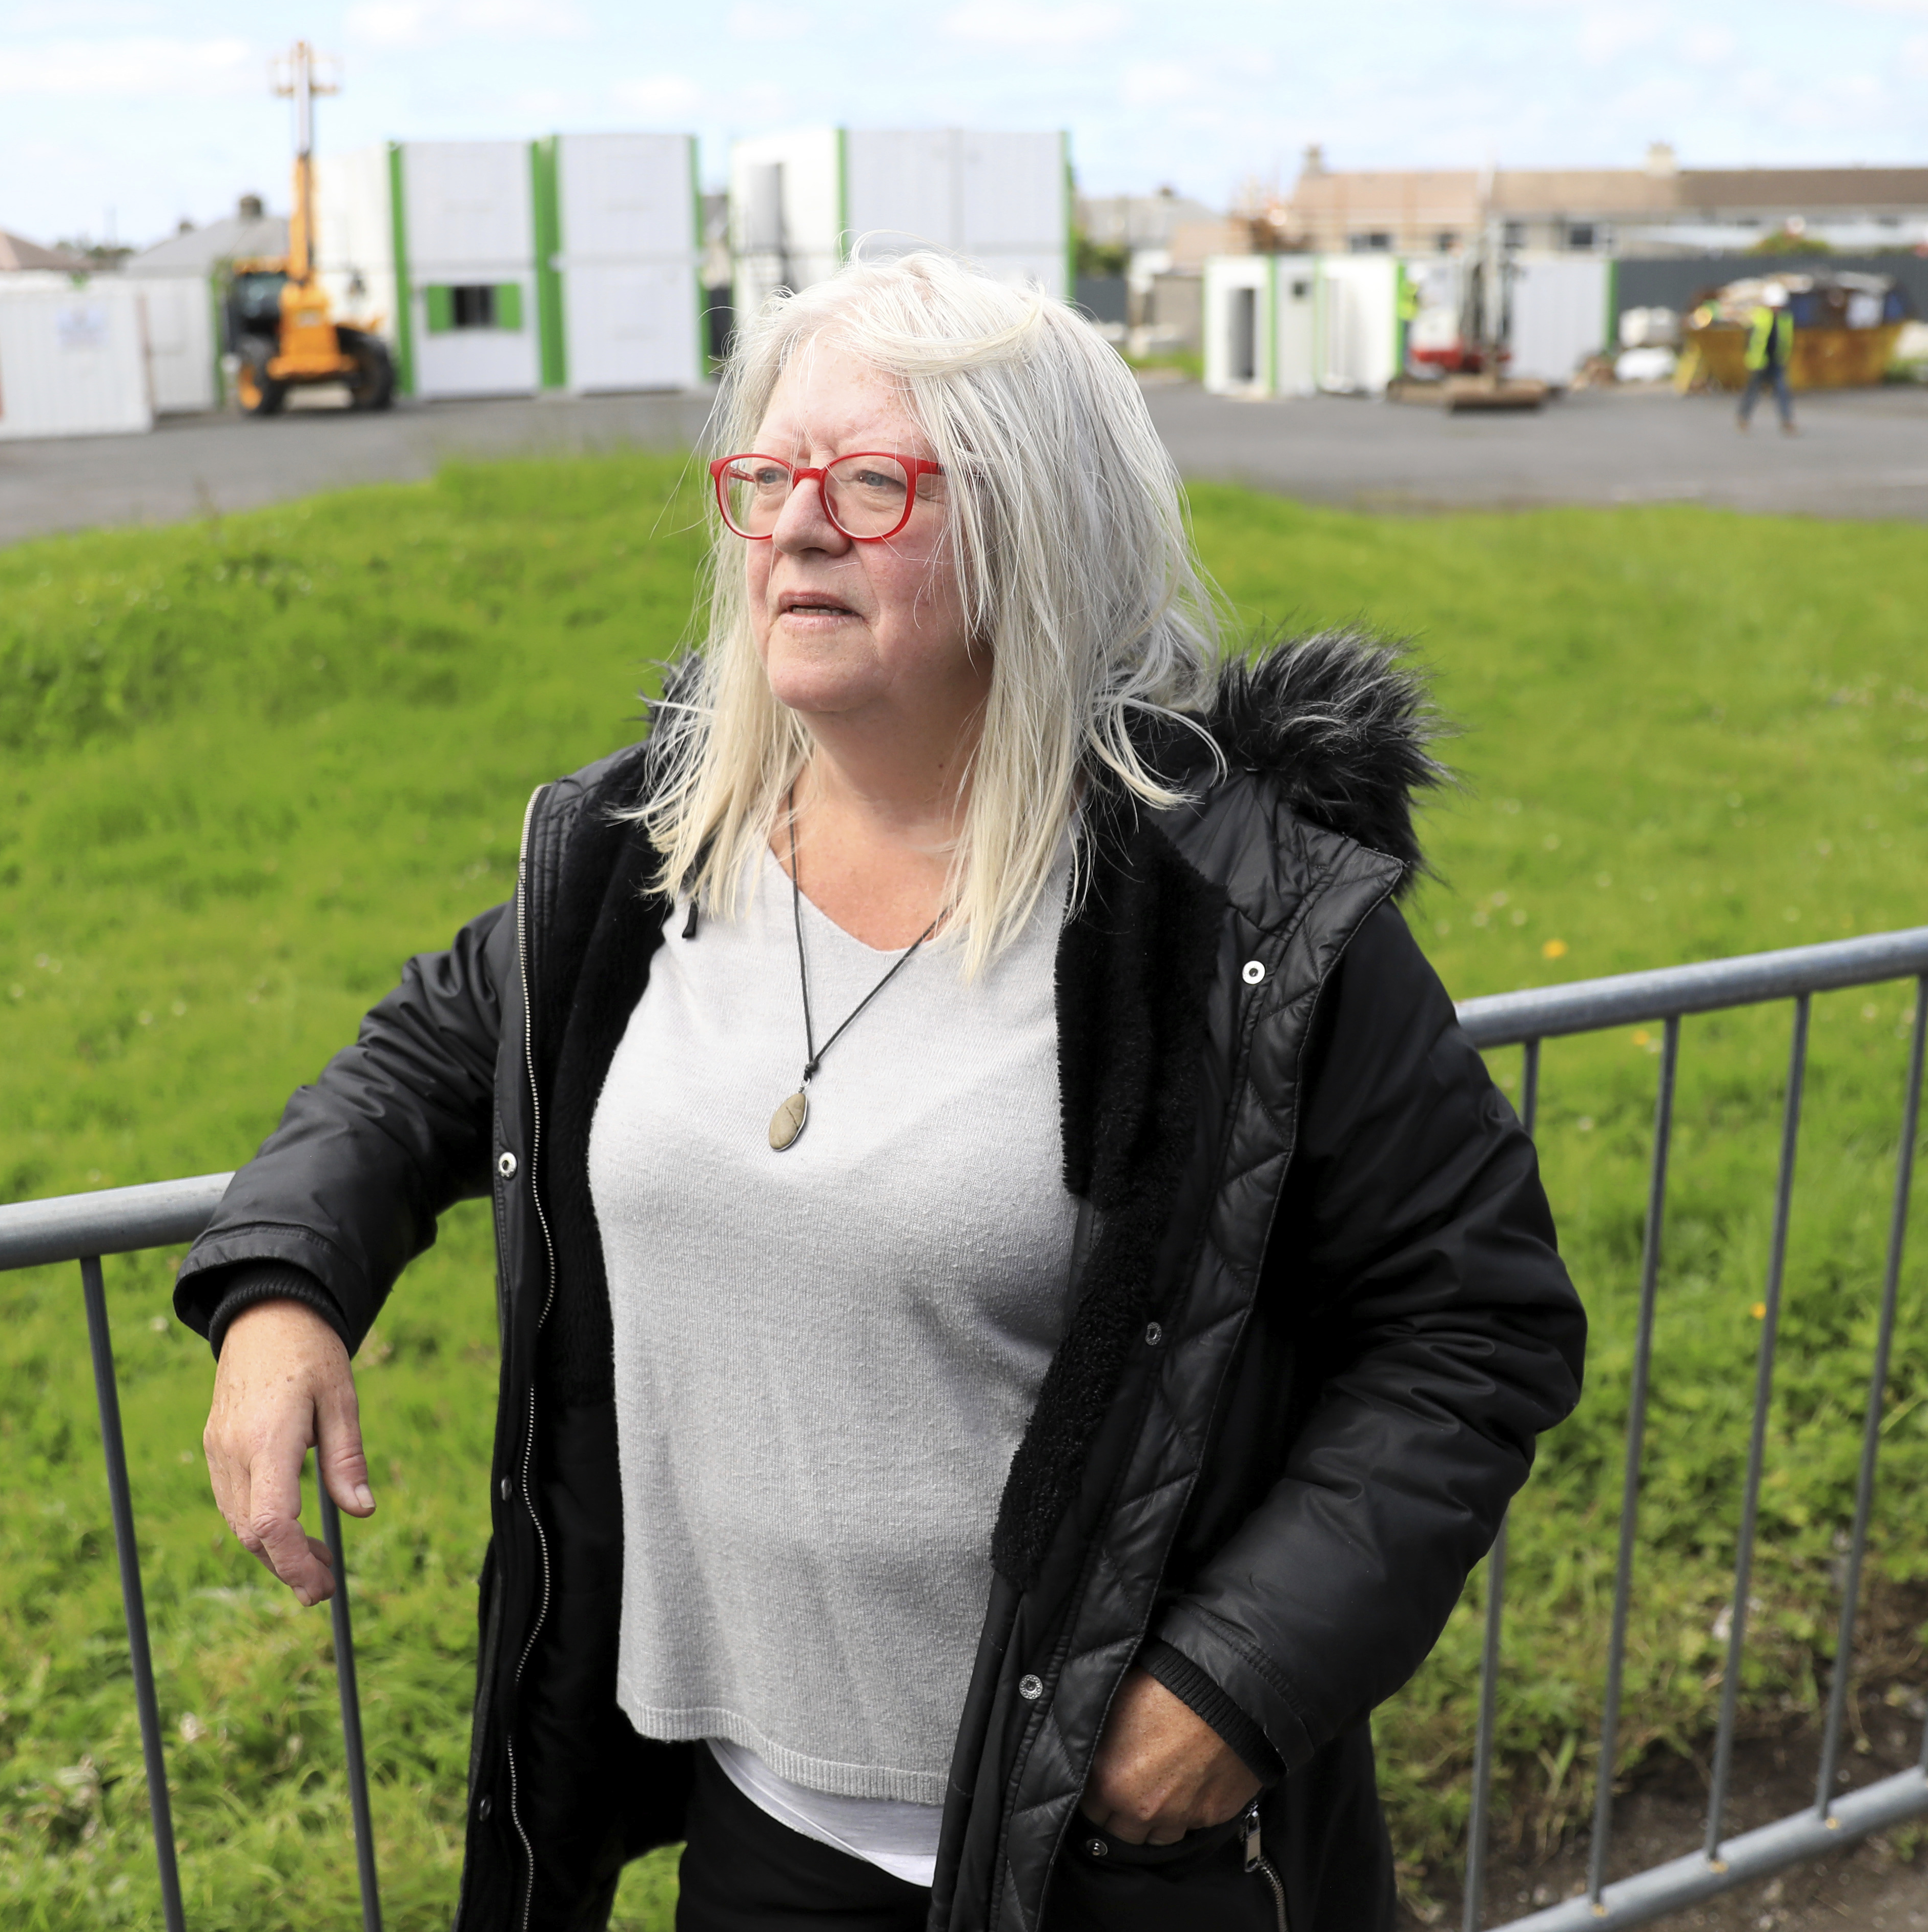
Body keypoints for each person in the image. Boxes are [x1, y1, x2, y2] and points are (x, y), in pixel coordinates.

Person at [183, 252, 1587, 1931]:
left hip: (1116, 1852)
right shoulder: (656, 866)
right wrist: (283, 1288)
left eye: (870, 481)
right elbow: (423, 1050)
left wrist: (1227, 1680)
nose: (792, 528)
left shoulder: (1238, 927)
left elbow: (1471, 1324)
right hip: (764, 1827)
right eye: (766, 477)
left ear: (1036, 530)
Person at [1736, 283, 1797, 433]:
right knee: (1753, 392)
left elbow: (1787, 340)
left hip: (1776, 361)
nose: (1777, 309)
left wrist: (1784, 358)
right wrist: (1752, 359)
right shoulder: (1759, 316)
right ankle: (1743, 419)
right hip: (1759, 362)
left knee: (1783, 392)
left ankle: (1787, 422)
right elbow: (1750, 339)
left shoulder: (1786, 319)